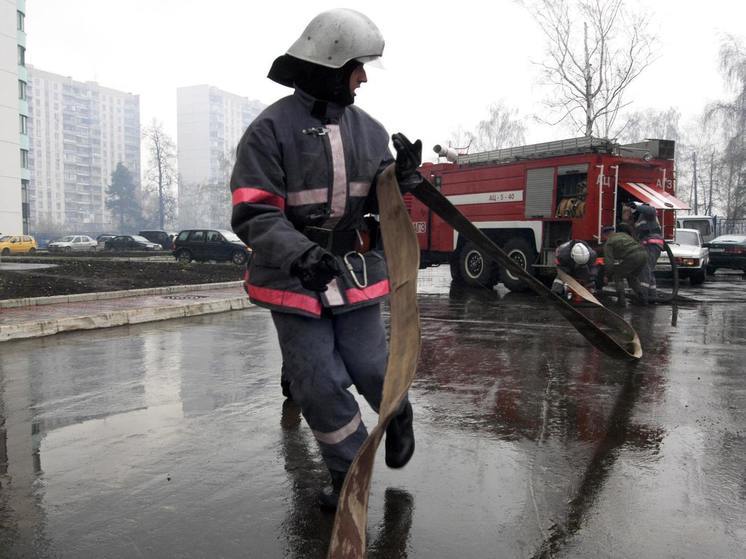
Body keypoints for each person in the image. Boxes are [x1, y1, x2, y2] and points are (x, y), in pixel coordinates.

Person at [229, 8, 415, 511]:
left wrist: (404, 180)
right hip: (294, 279)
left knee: (374, 369)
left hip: (352, 275)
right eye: (358, 66)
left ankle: (397, 414)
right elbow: (253, 212)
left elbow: (379, 203)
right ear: (333, 63)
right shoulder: (268, 132)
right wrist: (300, 253)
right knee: (318, 383)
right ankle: (349, 474)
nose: (363, 77)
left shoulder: (372, 132)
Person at [601, 224, 648, 305]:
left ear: (605, 235)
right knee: (632, 276)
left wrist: (607, 275)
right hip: (644, 254)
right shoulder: (623, 235)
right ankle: (642, 299)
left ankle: (621, 301)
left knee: (617, 275)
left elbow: (609, 262)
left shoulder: (609, 243)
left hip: (633, 256)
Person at [633, 202, 664, 303]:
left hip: (652, 244)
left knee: (645, 270)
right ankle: (652, 296)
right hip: (649, 245)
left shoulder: (649, 213)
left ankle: (643, 297)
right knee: (649, 271)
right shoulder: (641, 218)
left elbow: (651, 209)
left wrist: (636, 206)